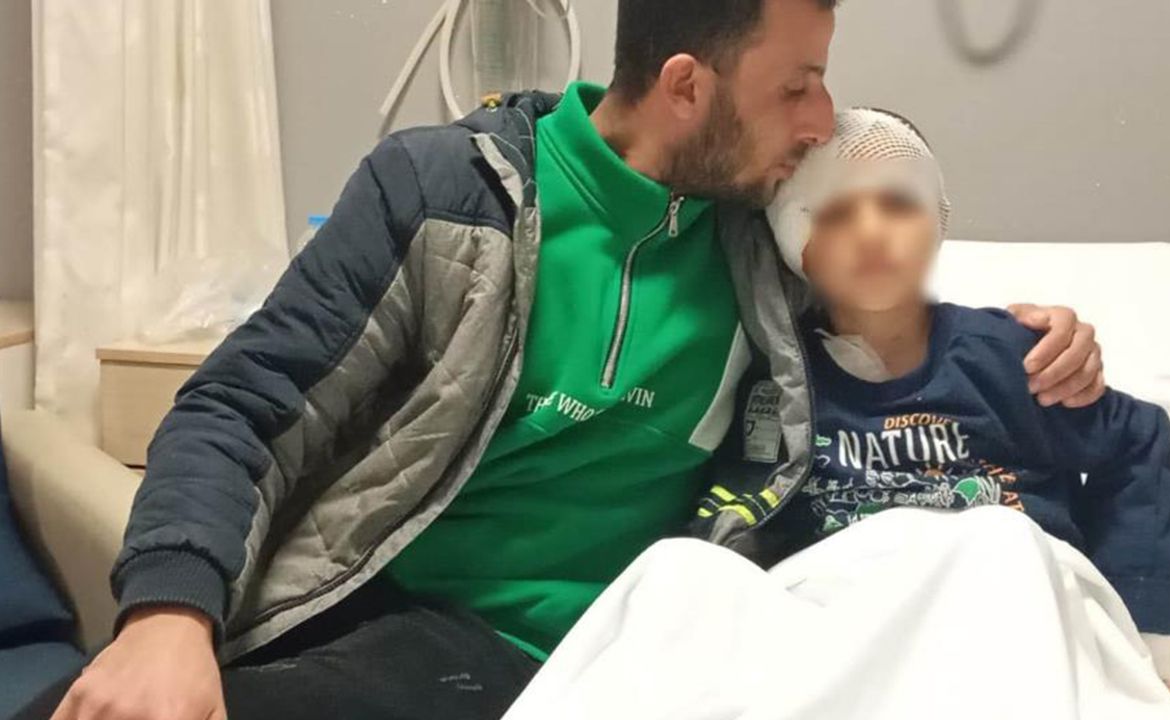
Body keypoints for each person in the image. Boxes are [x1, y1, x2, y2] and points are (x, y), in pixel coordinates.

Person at [24, 2, 1107, 719]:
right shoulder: (442, 196)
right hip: (374, 621)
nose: (822, 121)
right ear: (685, 86)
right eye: (796, 87)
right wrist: (166, 617)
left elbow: (888, 327)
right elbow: (243, 405)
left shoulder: (762, 245)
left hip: (593, 660)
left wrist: (1028, 338)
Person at [499, 108, 1170, 720]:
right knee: (678, 570)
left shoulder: (1013, 358)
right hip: (842, 622)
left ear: (937, 221)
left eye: (897, 203)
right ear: (791, 245)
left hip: (995, 606)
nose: (869, 232)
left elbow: (1138, 443)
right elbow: (734, 518)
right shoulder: (774, 380)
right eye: (833, 214)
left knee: (997, 539)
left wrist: (1144, 649)